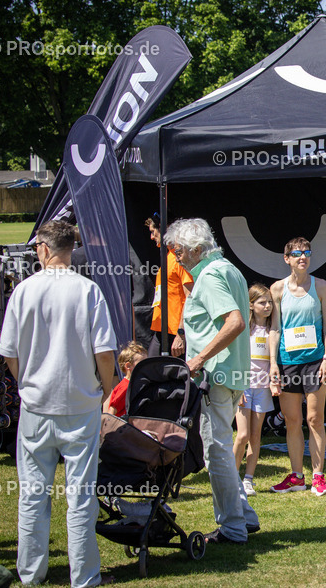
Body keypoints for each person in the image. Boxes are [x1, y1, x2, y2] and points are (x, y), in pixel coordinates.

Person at [0, 219, 117, 586]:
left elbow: (10, 354)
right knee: (81, 497)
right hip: (80, 403)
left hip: (37, 403)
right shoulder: (88, 291)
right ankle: (84, 575)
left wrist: (27, 383)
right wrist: (105, 391)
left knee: (33, 495)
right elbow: (105, 354)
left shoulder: (24, 291)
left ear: (44, 249)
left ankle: (31, 573)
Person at [165, 218, 259, 544]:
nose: (175, 257)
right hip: (230, 373)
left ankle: (233, 527)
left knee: (216, 452)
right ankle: (244, 516)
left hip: (214, 377)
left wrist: (200, 357)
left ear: (194, 249)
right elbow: (240, 318)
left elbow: (233, 321)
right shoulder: (227, 269)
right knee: (219, 448)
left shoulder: (210, 275)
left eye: (178, 251)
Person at [269, 237, 326, 496]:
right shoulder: (277, 289)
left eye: (306, 252)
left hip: (316, 363)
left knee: (315, 419)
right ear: (287, 259)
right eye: (296, 253)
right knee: (292, 421)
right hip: (287, 363)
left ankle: (318, 477)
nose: (302, 257)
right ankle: (297, 476)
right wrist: (273, 363)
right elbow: (274, 328)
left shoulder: (322, 286)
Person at [234, 283, 280, 496]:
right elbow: (235, 358)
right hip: (245, 385)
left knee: (255, 435)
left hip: (263, 387)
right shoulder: (244, 328)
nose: (268, 306)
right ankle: (232, 478)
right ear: (251, 305)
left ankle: (248, 480)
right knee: (242, 435)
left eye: (270, 302)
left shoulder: (272, 329)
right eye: (262, 302)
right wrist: (238, 386)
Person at [145, 214, 193, 357]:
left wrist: (181, 333)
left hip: (175, 332)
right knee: (151, 372)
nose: (152, 237)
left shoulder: (180, 258)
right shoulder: (169, 257)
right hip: (162, 330)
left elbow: (190, 296)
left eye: (153, 232)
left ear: (163, 229)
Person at [104, 341, 147, 417]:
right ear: (128, 366)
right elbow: (112, 409)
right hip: (123, 426)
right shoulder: (125, 387)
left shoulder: (133, 384)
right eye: (142, 363)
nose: (146, 366)